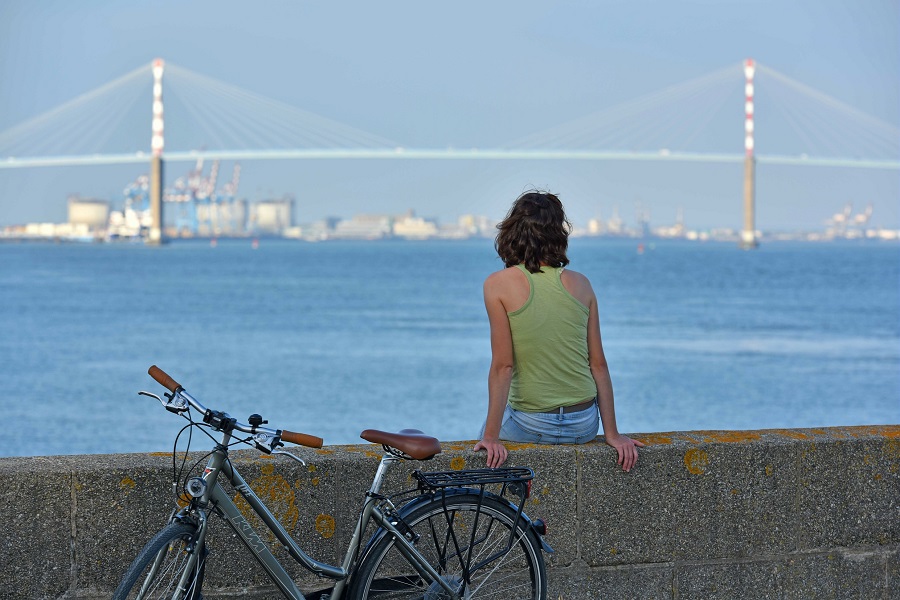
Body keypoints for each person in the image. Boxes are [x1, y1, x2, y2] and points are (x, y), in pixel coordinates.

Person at [474, 190, 644, 470]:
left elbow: (503, 366)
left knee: (482, 442)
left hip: (531, 423)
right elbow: (598, 365)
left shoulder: (497, 285)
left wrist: (491, 437)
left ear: (511, 233)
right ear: (558, 235)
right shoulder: (582, 284)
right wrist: (612, 434)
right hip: (584, 425)